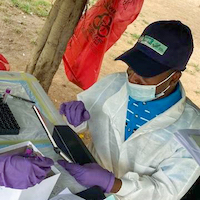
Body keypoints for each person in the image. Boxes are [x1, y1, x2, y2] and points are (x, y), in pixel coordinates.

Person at [59, 20, 200, 200]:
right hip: (84, 182)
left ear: (174, 78)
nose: (133, 78)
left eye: (146, 74)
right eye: (132, 68)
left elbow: (166, 192)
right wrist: (74, 120)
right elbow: (79, 121)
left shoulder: (193, 130)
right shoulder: (114, 84)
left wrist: (114, 184)